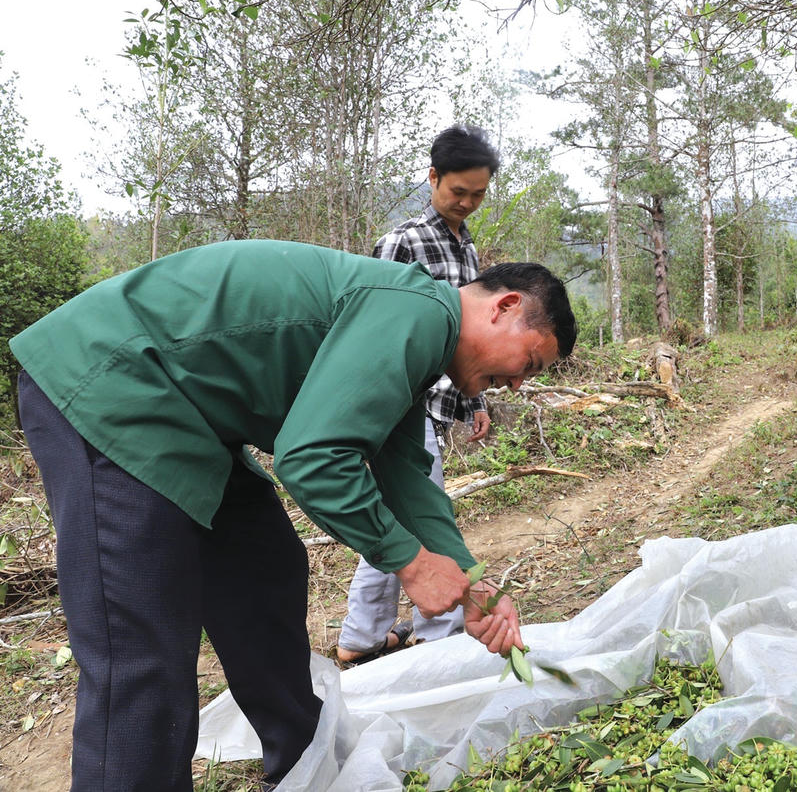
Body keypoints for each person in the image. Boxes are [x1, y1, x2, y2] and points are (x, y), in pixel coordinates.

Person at [10, 240, 577, 791]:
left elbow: (402, 471)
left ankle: (305, 765)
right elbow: (314, 460)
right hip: (112, 382)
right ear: (503, 307)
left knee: (263, 567)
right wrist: (408, 561)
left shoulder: (417, 338)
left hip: (191, 416)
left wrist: (470, 581)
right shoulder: (419, 310)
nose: (519, 383)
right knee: (141, 646)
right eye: (528, 361)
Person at [336, 124, 498, 664]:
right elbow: (370, 328)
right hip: (403, 405)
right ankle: (439, 637)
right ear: (433, 178)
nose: (468, 203)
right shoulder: (402, 241)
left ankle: (362, 637)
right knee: (422, 516)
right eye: (459, 192)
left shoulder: (466, 245)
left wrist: (475, 401)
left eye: (478, 194)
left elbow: (471, 335)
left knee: (398, 516)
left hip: (440, 403)